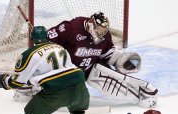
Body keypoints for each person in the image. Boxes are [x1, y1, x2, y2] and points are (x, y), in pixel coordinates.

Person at [14, 12, 158, 107]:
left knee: (107, 76)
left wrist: (120, 59)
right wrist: (41, 39)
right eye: (99, 30)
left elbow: (107, 54)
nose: (101, 34)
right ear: (90, 24)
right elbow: (46, 43)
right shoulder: (71, 28)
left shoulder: (105, 37)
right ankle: (29, 87)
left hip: (88, 72)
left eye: (103, 31)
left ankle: (141, 96)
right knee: (47, 64)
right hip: (65, 71)